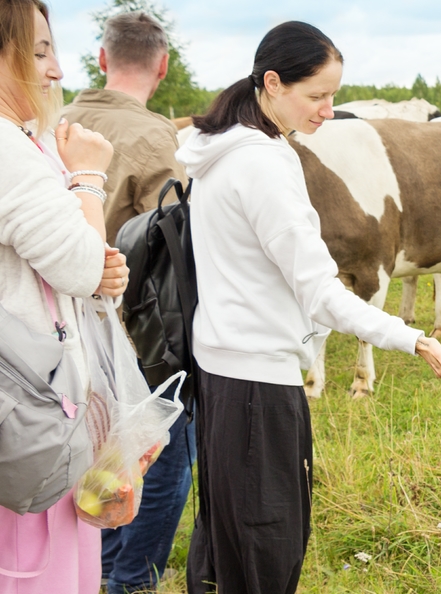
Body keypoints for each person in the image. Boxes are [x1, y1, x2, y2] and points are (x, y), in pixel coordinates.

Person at [177, 21, 441, 594]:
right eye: (317, 96)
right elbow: (320, 289)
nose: (329, 110)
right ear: (273, 83)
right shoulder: (262, 162)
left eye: (334, 94)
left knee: (225, 548)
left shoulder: (218, 150)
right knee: (267, 550)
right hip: (259, 388)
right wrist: (408, 336)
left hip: (220, 376)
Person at [59, 11, 192, 593]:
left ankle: (95, 562)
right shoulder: (154, 137)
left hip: (57, 331)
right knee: (161, 453)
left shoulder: (53, 121)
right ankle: (130, 577)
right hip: (132, 330)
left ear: (102, 58)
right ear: (162, 65)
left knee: (89, 450)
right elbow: (175, 242)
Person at [0, 0, 130, 591]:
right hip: (30, 413)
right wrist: (89, 176)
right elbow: (82, 266)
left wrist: (100, 270)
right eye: (39, 51)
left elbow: (89, 269)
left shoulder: (24, 143)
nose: (56, 70)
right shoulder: (8, 152)